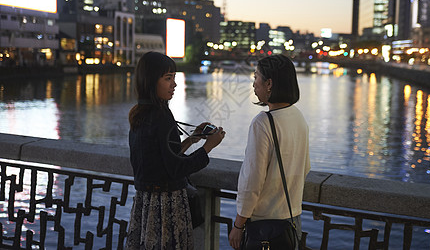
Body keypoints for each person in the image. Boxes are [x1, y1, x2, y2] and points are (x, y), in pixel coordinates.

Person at [126, 51, 226, 250]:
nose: (174, 84)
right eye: (168, 78)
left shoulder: (140, 113)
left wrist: (192, 139)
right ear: (151, 81)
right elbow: (176, 168)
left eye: (174, 78)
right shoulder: (162, 115)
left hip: (146, 202)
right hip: (166, 204)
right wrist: (208, 147)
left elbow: (160, 156)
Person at [228, 54, 310, 249]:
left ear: (269, 84)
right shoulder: (298, 117)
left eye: (256, 77)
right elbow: (305, 167)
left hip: (265, 228)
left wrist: (238, 225)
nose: (253, 83)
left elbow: (252, 182)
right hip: (291, 221)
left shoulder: (263, 123)